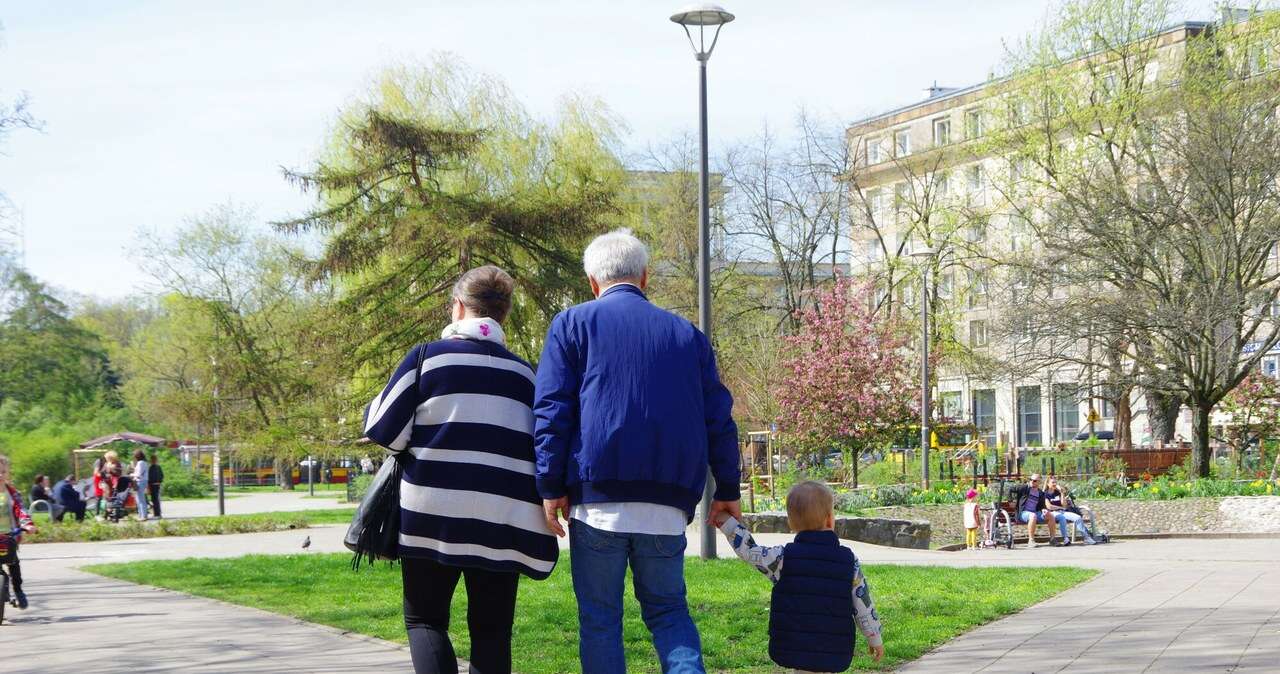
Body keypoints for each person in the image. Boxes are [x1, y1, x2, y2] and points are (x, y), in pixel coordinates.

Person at [534, 228, 742, 673]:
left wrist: (550, 485)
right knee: (669, 614)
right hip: (665, 507)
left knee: (601, 621)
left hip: (597, 505)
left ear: (592, 282)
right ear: (645, 277)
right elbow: (719, 419)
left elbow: (552, 412)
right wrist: (727, 486)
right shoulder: (687, 335)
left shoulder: (571, 325)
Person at [363, 265, 559, 674]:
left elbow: (383, 430)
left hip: (433, 512)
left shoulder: (426, 359)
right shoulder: (526, 375)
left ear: (457, 307)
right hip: (504, 517)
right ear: (503, 315)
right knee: (492, 631)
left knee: (426, 620)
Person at [713, 481, 883, 673]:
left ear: (791, 523)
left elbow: (750, 551)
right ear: (829, 520)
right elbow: (863, 603)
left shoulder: (782, 558)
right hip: (832, 646)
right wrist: (874, 637)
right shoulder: (848, 560)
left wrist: (728, 524)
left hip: (794, 645)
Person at [0, 453, 36, 610]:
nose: (0, 475)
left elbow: (21, 510)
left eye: (3, 471)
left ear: (7, 473)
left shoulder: (12, 493)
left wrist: (27, 524)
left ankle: (18, 591)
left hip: (9, 535)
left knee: (13, 563)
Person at [1046, 477, 1095, 545]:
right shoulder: (1045, 494)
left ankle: (1086, 537)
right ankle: (1065, 538)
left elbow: (1064, 505)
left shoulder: (1057, 493)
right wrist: (1060, 507)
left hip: (1062, 511)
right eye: (1053, 482)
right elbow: (1049, 507)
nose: (1055, 484)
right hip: (1052, 513)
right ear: (1048, 484)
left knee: (1078, 518)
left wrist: (1062, 493)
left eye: (1055, 482)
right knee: (1061, 518)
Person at [1008, 474, 1054, 547]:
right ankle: (1031, 540)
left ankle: (1052, 539)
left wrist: (1044, 510)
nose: (1032, 482)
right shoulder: (1024, 488)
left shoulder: (1040, 493)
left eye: (1035, 480)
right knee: (1033, 515)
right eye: (1031, 479)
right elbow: (1010, 488)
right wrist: (1010, 501)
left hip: (1034, 513)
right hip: (1023, 514)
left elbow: (1042, 506)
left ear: (1039, 482)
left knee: (1050, 515)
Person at [131, 450, 150, 521]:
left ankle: (143, 516)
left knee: (140, 499)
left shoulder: (140, 463)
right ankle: (141, 515)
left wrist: (131, 474)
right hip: (143, 481)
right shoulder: (143, 462)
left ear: (137, 456)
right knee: (139, 499)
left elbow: (138, 474)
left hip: (140, 481)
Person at [147, 452, 164, 519]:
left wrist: (148, 484)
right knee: (157, 499)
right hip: (158, 484)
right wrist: (160, 481)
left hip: (153, 485)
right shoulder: (158, 467)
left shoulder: (151, 467)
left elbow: (149, 477)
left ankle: (157, 514)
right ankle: (157, 513)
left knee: (155, 500)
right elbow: (162, 475)